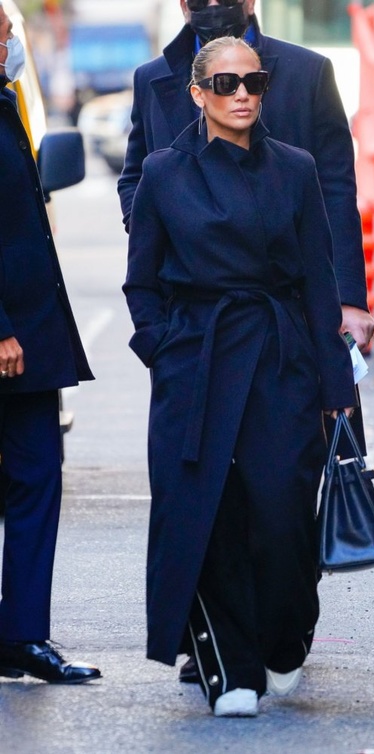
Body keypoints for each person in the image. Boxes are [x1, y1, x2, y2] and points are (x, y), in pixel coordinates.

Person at [123, 35, 357, 717]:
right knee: (206, 513)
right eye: (225, 84)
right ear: (198, 94)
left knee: (283, 511)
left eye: (253, 82)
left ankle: (284, 638)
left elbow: (319, 281)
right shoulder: (165, 172)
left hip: (280, 357)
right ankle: (232, 671)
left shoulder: (296, 168)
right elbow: (141, 281)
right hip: (196, 361)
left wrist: (335, 388)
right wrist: (163, 348)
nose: (243, 95)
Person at [117, 0, 374, 354]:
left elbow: (337, 190)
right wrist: (158, 237)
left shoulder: (308, 73)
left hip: (288, 313)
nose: (213, 6)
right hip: (187, 321)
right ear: (183, 5)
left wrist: (348, 298)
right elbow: (135, 176)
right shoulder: (151, 78)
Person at [0, 3, 101, 684]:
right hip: (8, 333)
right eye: (1, 28)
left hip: (30, 339)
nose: (10, 36)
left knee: (38, 476)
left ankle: (22, 636)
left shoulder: (8, 100)